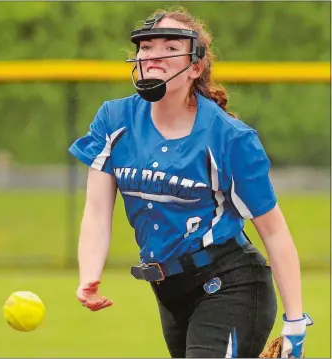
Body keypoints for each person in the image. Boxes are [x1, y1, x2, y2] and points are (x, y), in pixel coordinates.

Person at [69, 6, 313, 358]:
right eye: (147, 47)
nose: (154, 55)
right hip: (169, 292)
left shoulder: (228, 138)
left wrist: (295, 322)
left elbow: (273, 230)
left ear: (195, 67)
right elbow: (96, 211)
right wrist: (89, 275)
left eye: (170, 48)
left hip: (231, 285)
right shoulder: (114, 119)